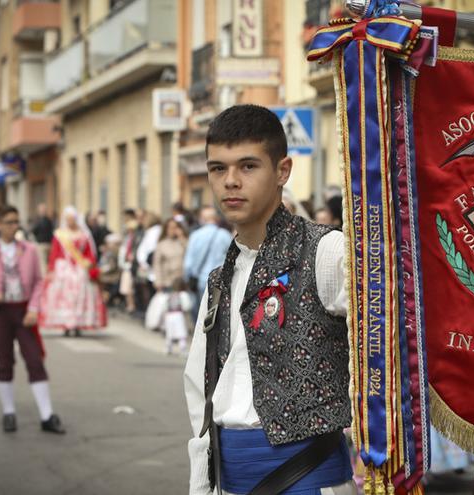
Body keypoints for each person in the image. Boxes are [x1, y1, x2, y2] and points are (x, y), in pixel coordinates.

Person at [184, 105, 354, 494]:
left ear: (282, 171)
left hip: (309, 478)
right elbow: (200, 394)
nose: (230, 181)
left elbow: (389, 340)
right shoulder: (219, 279)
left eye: (247, 166)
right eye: (217, 168)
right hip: (229, 481)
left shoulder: (326, 252)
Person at [0, 205, 65, 434]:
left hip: (24, 310)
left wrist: (34, 308)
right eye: (8, 222)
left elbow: (38, 280)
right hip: (1, 311)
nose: (14, 226)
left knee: (34, 360)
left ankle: (47, 415)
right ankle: (9, 412)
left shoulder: (29, 250)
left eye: (16, 221)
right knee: (5, 361)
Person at [41, 206, 107, 337]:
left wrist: (88, 263)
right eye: (68, 219)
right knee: (64, 295)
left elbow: (89, 253)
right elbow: (55, 253)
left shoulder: (84, 235)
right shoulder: (60, 234)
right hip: (64, 269)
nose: (70, 222)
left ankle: (77, 323)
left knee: (80, 294)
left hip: (80, 268)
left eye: (73, 219)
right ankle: (66, 323)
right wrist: (51, 269)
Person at [183, 206, 233, 300]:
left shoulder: (195, 235)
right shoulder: (225, 235)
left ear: (202, 219)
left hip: (201, 280)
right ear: (216, 218)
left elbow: (188, 263)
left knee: (200, 312)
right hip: (220, 280)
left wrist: (187, 279)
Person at [152, 218, 188, 292]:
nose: (173, 230)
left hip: (182, 282)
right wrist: (158, 282)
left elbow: (190, 254)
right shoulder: (162, 244)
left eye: (176, 228)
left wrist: (181, 237)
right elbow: (157, 264)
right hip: (168, 282)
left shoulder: (182, 241)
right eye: (171, 228)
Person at [163, 278, 192, 356]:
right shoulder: (183, 294)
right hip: (178, 315)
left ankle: (168, 347)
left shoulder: (169, 294)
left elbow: (164, 306)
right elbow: (187, 306)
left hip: (169, 315)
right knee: (181, 332)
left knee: (170, 332)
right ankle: (183, 349)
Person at [31, 203, 55, 273]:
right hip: (44, 243)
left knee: (44, 261)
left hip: (45, 243)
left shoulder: (41, 220)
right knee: (44, 261)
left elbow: (34, 230)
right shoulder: (47, 220)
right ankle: (46, 274)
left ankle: (45, 275)